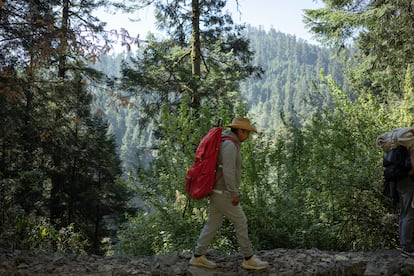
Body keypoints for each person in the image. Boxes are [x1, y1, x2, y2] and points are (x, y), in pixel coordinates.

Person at [189, 117, 269, 270]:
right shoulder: (230, 146)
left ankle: (198, 256)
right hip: (224, 193)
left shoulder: (225, 142)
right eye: (247, 133)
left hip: (217, 191)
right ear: (240, 131)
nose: (248, 136)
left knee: (213, 223)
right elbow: (228, 171)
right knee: (241, 221)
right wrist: (233, 192)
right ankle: (248, 258)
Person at [397, 145, 414, 257]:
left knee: (403, 213)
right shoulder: (412, 148)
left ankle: (404, 245)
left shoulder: (405, 147)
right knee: (410, 214)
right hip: (410, 184)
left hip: (400, 183)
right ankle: (406, 248)